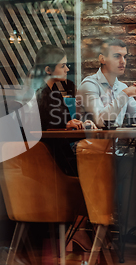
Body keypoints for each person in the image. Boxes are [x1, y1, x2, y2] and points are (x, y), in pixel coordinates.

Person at [75, 38, 136, 241]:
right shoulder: (89, 85)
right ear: (102, 58)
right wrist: (125, 95)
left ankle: (133, 229)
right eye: (117, 56)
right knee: (132, 165)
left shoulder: (122, 86)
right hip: (90, 155)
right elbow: (102, 120)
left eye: (125, 56)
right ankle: (124, 228)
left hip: (114, 152)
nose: (123, 61)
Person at [25, 45, 96, 176]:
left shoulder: (55, 93)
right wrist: (67, 126)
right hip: (50, 158)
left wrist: (80, 125)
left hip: (61, 151)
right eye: (62, 66)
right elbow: (41, 129)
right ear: (48, 69)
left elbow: (62, 126)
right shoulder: (39, 94)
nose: (67, 69)